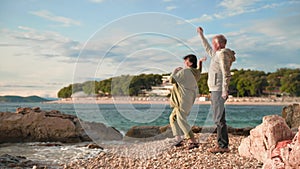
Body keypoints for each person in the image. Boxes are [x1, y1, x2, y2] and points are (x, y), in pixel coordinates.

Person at [196, 27, 236, 153]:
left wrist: (225, 90)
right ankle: (222, 144)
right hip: (215, 89)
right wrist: (201, 35)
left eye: (214, 43)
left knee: (219, 119)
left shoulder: (222, 54)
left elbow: (226, 73)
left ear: (218, 44)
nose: (212, 45)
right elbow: (207, 47)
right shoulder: (217, 54)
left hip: (219, 89)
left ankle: (223, 146)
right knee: (218, 118)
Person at [169, 54, 206, 150]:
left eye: (186, 61)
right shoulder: (196, 73)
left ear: (190, 63)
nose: (184, 63)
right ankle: (178, 139)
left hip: (182, 100)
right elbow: (199, 71)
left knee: (181, 120)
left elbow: (172, 80)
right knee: (173, 118)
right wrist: (200, 63)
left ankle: (192, 141)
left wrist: (175, 71)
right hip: (189, 99)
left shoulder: (185, 71)